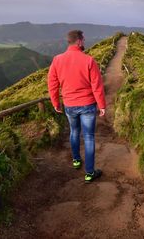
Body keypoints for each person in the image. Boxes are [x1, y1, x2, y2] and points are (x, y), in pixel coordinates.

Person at [47, 30, 105, 183]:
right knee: (88, 137)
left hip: (69, 105)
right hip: (87, 104)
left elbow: (52, 84)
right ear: (79, 41)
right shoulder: (89, 60)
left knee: (74, 131)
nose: (84, 42)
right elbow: (96, 85)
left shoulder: (57, 60)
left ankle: (76, 160)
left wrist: (55, 103)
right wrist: (102, 105)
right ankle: (89, 172)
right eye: (83, 40)